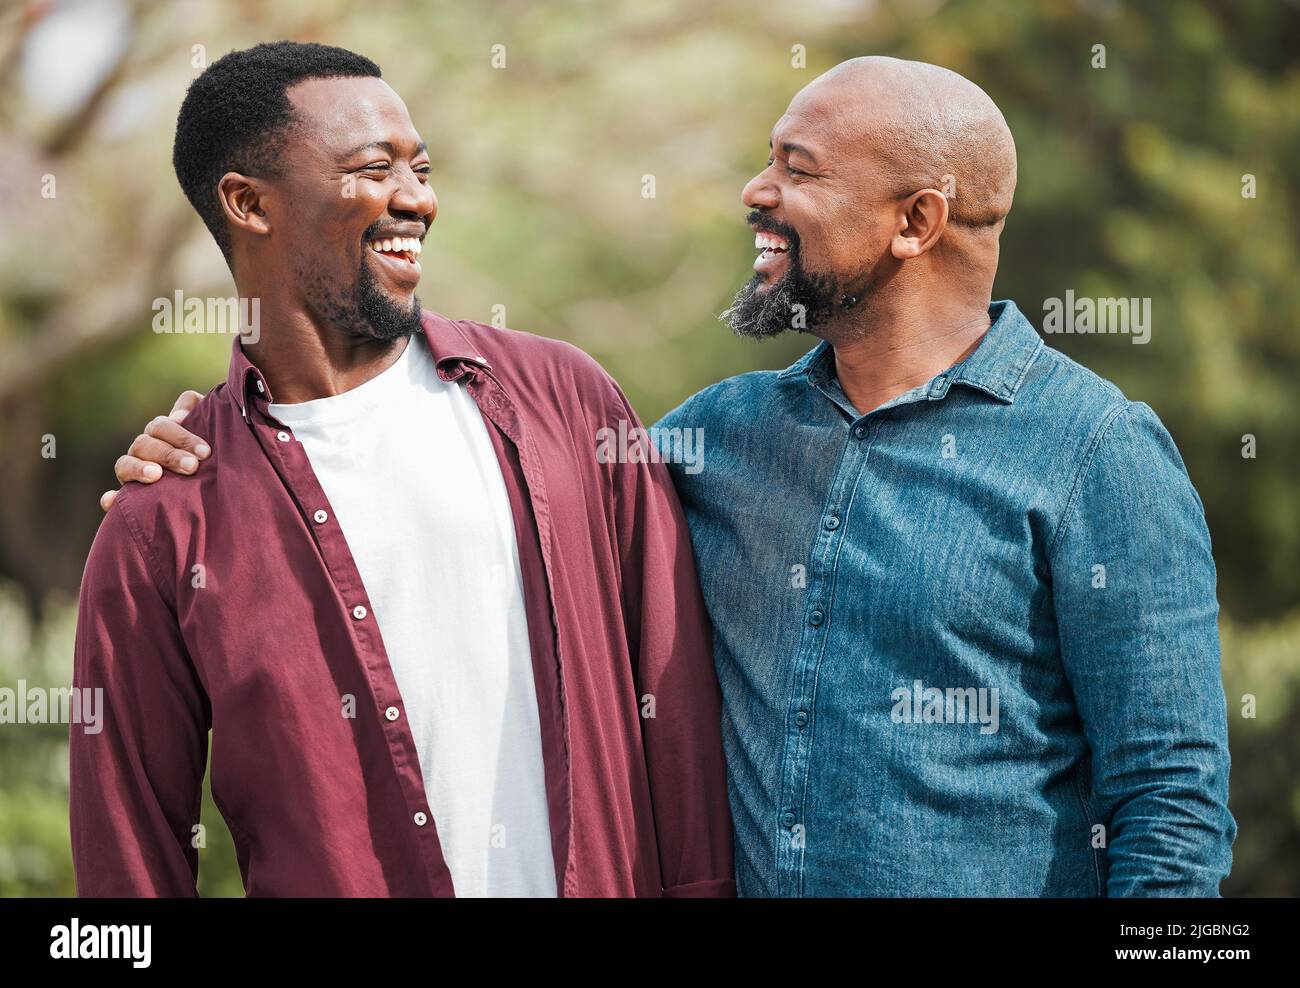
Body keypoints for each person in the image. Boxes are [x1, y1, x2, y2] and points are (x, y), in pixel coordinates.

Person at [115, 55, 1236, 897]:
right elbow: (452, 482)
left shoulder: (1096, 453)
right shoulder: (710, 439)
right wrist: (210, 448)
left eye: (796, 170)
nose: (754, 192)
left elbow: (1171, 806)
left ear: (917, 222)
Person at [73, 41, 734, 898]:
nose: (417, 198)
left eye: (420, 167)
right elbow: (129, 866)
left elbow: (674, 708)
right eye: (373, 168)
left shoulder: (565, 401)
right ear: (248, 202)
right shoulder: (161, 524)